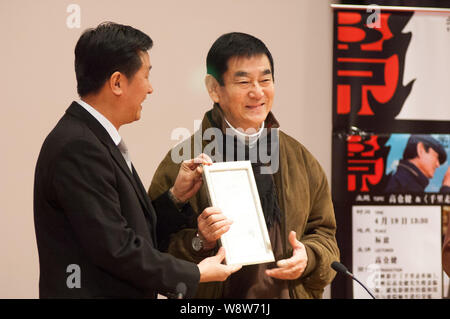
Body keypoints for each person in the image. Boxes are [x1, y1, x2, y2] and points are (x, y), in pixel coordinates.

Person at [33, 22, 241, 299]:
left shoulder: (93, 139)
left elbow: (129, 230)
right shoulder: (79, 146)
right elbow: (116, 248)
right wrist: (196, 274)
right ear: (117, 82)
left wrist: (176, 197)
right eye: (146, 76)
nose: (150, 89)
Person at [149, 32, 340, 298]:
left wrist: (308, 257)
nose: (257, 92)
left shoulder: (299, 159)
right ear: (214, 89)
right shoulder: (185, 161)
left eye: (265, 79)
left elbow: (325, 234)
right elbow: (153, 249)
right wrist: (200, 241)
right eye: (243, 81)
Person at [385, 135, 450, 193]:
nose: (438, 165)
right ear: (420, 149)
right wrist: (446, 188)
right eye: (436, 157)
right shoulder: (402, 186)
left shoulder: (401, 181)